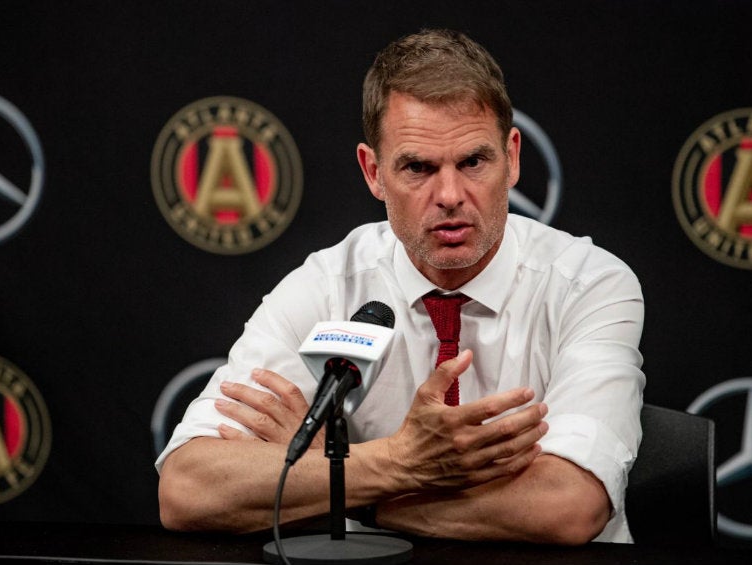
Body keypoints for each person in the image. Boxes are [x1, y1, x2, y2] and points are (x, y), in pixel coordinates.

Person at [156, 28, 645, 545]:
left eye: (474, 162)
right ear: (373, 172)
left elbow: (565, 508)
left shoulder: (589, 284)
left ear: (514, 157)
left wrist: (341, 481)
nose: (451, 195)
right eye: (417, 167)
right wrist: (398, 461)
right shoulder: (327, 286)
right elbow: (187, 491)